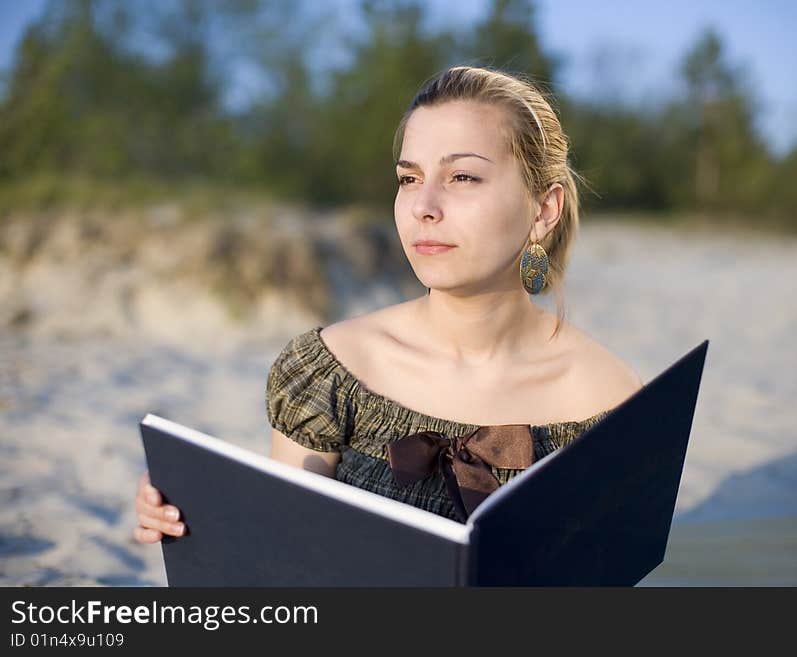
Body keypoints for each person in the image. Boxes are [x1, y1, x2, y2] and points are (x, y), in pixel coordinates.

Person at [133, 64, 643, 543]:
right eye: (409, 178)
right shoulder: (332, 371)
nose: (424, 207)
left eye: (462, 177)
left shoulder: (612, 404)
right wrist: (191, 518)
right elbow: (284, 553)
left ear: (544, 208)